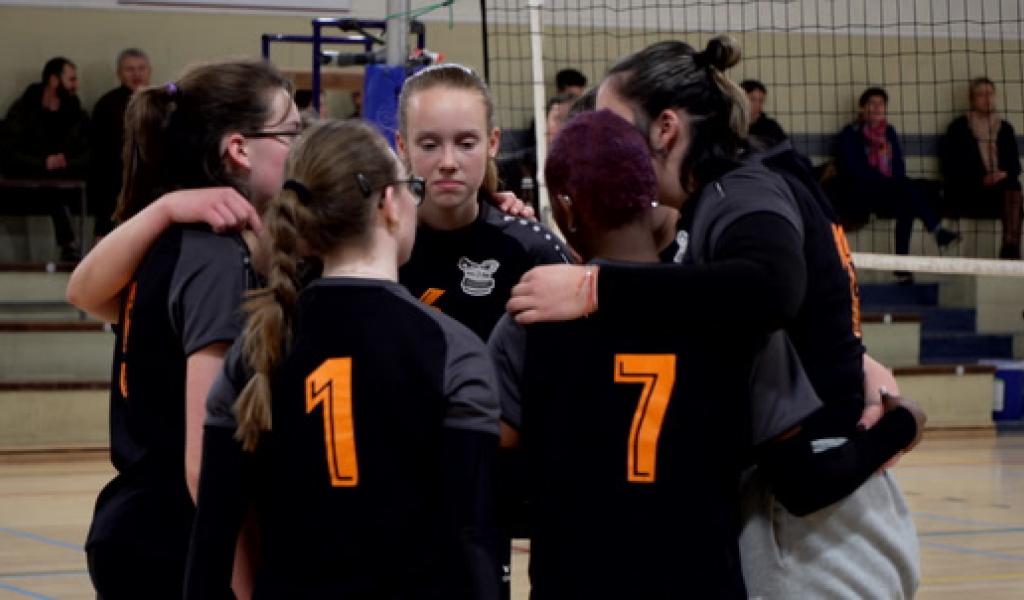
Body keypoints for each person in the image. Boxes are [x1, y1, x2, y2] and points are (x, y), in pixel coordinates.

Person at [506, 37, 923, 598]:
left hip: (818, 517)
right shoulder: (741, 187)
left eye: (614, 127)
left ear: (666, 129)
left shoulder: (741, 189)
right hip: (811, 494)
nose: (602, 145)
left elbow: (769, 286)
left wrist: (597, 286)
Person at [185, 119, 501, 598]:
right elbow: (472, 539)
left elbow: (211, 540)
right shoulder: (451, 349)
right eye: (411, 188)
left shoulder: (261, 340)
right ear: (389, 203)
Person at [76, 59, 297, 599]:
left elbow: (87, 295)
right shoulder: (215, 264)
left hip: (142, 531)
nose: (303, 142)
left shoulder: (187, 246)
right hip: (174, 542)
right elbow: (207, 464)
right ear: (240, 148)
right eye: (291, 130)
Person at [395, 64, 569, 342]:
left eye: (466, 144)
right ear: (402, 147)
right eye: (429, 145)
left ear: (492, 142)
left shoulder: (531, 250)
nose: (448, 163)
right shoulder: (380, 248)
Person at [834, 87, 959, 271]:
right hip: (862, 193)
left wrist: (891, 182)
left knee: (907, 202)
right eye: (872, 104)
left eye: (881, 104)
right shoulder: (850, 134)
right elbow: (854, 170)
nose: (877, 108)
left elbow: (899, 166)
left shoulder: (889, 133)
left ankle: (901, 265)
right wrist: (887, 181)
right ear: (862, 108)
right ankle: (936, 231)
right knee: (909, 190)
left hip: (889, 191)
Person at [2, 56, 89, 260]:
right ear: (53, 80)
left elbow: (87, 151)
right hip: (26, 178)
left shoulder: (75, 112)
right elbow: (8, 153)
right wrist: (43, 163)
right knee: (51, 190)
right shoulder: (23, 110)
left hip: (66, 178)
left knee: (58, 190)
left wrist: (66, 161)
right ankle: (68, 245)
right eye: (71, 79)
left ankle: (71, 246)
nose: (75, 85)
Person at [941, 77, 1022, 259]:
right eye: (981, 95)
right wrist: (980, 178)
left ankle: (1010, 248)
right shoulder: (959, 128)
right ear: (972, 99)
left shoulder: (1005, 128)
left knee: (1014, 188)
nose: (987, 99)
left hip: (1000, 187)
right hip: (969, 187)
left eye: (990, 94)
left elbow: (1015, 166)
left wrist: (1002, 174)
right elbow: (950, 166)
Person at [89, 48, 152, 240]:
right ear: (119, 74)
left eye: (141, 68)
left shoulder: (159, 101)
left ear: (149, 71)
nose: (137, 75)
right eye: (130, 69)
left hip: (149, 176)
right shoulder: (106, 104)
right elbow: (98, 145)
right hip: (112, 177)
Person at [740, 79, 787, 147]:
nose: (757, 105)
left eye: (761, 101)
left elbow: (786, 151)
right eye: (752, 99)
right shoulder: (729, 126)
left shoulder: (770, 127)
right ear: (739, 100)